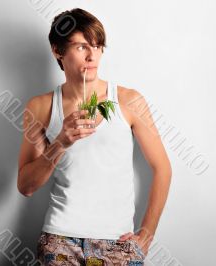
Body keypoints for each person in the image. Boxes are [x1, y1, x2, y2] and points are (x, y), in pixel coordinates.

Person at [17, 8, 172, 265]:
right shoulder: (40, 107)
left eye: (98, 46)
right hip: (60, 238)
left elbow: (162, 168)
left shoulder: (129, 101)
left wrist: (147, 234)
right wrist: (60, 143)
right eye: (81, 47)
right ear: (58, 51)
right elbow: (26, 187)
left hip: (119, 241)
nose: (92, 56)